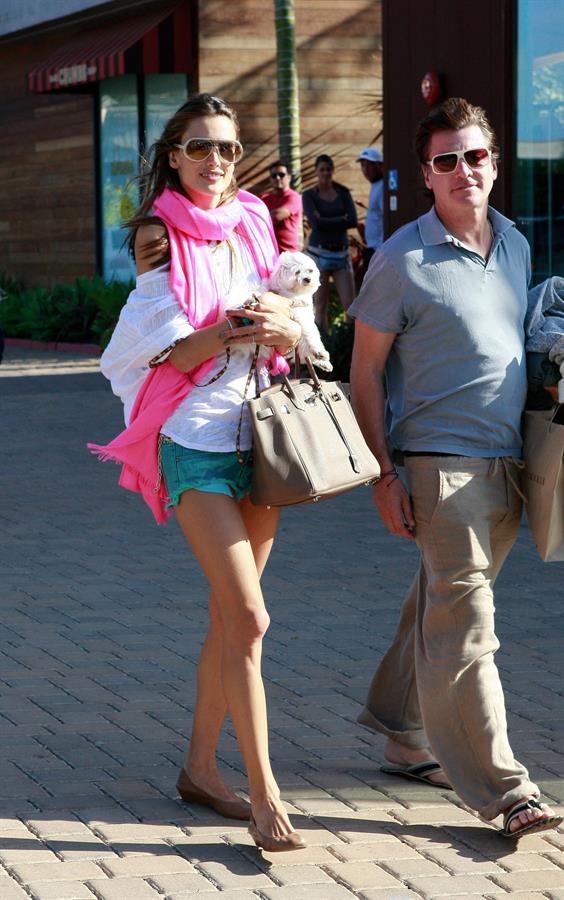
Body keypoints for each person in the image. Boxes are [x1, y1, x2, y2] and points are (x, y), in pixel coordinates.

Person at [90, 93, 306, 853]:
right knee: (249, 617)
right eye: (199, 147)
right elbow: (166, 350)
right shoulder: (160, 235)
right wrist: (229, 329)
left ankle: (198, 770)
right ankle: (265, 795)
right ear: (173, 157)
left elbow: (297, 319)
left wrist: (284, 323)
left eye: (226, 146)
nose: (216, 160)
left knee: (229, 617)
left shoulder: (255, 224)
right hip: (194, 440)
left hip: (262, 440)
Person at [349, 97, 563, 840]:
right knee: (466, 625)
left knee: (439, 607)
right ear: (427, 175)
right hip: (440, 469)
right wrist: (383, 473)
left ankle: (403, 730)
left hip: (510, 462)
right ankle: (505, 792)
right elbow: (366, 373)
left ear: (495, 163)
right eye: (447, 160)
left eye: (475, 156)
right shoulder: (400, 259)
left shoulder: (514, 244)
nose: (464, 170)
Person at [303, 154, 357, 332]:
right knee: (320, 305)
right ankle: (322, 349)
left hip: (341, 254)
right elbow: (315, 223)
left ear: (332, 171)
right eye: (322, 169)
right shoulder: (309, 195)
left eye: (328, 169)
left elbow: (353, 221)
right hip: (318, 254)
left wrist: (324, 220)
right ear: (316, 172)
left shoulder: (343, 193)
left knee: (351, 307)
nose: (325, 173)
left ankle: (348, 347)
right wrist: (340, 219)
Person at [261, 160, 302, 252]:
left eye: (281, 174)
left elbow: (276, 216)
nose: (277, 178)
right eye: (274, 176)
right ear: (270, 179)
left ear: (289, 177)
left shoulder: (294, 197)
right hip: (268, 254)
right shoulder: (264, 198)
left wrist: (255, 220)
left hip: (288, 254)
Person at [357, 147, 384, 267]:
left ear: (379, 165)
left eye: (369, 165)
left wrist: (380, 249)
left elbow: (386, 219)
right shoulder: (376, 185)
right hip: (373, 249)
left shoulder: (384, 187)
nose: (365, 169)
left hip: (379, 251)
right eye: (363, 165)